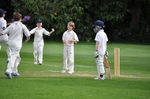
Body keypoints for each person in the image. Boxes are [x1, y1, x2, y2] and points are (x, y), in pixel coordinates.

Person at [0, 12, 30, 79]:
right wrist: (27, 39)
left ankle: (14, 71)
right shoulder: (22, 25)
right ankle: (8, 71)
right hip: (17, 44)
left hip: (10, 43)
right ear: (20, 19)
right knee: (13, 57)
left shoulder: (11, 25)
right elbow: (28, 35)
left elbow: (3, 33)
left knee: (18, 58)